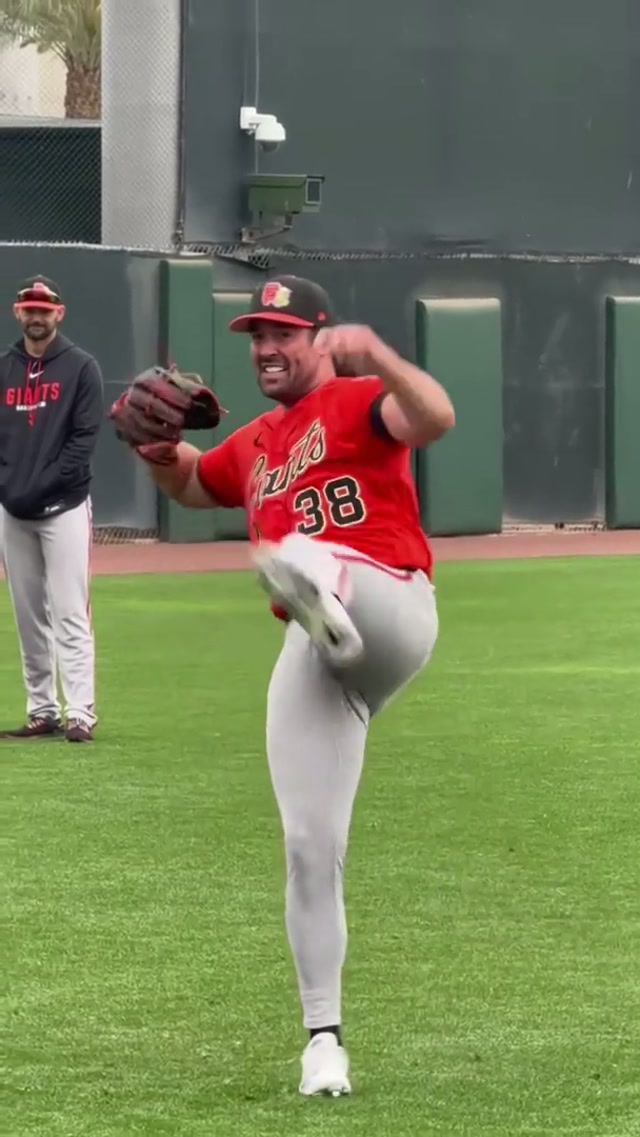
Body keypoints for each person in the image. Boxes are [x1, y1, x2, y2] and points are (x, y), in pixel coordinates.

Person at [110, 275, 455, 1095]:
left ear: (322, 338)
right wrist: (157, 455)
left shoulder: (365, 400)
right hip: (320, 649)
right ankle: (323, 1041)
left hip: (393, 606)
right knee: (307, 847)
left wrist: (379, 356)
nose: (266, 347)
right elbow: (198, 483)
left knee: (301, 551)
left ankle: (316, 588)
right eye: (257, 334)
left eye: (284, 333)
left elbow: (434, 416)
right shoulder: (260, 441)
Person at [0, 276, 103, 743]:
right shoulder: (4, 368)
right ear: (17, 313)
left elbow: (83, 441)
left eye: (45, 308)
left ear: (59, 314)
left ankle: (80, 712)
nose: (36, 315)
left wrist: (42, 484)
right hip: (13, 510)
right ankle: (42, 710)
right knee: (27, 614)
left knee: (69, 610)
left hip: (64, 506)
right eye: (29, 308)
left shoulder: (81, 367)